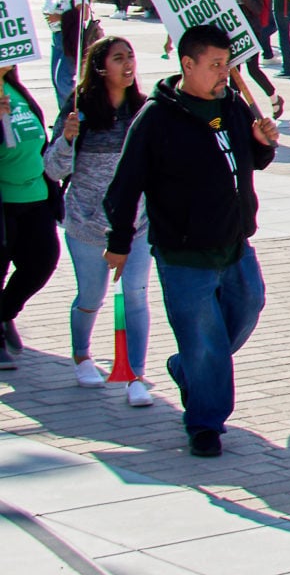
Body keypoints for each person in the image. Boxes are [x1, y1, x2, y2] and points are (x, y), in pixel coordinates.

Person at [102, 24, 279, 458]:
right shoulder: (156, 118)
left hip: (235, 244)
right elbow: (124, 186)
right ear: (188, 64)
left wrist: (262, 145)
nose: (225, 73)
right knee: (203, 340)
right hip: (184, 254)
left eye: (227, 64)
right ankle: (205, 423)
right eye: (216, 65)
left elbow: (249, 162)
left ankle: (189, 369)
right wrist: (119, 241)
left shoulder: (232, 105)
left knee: (246, 310)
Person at [43, 36, 153, 403]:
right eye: (118, 58)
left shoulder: (143, 109)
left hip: (136, 224)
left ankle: (136, 374)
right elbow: (54, 170)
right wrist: (66, 140)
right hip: (87, 223)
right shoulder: (80, 110)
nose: (128, 64)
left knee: (136, 295)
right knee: (92, 294)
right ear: (101, 67)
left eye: (131, 56)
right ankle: (82, 356)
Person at [0, 65, 59, 372]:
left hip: (35, 197)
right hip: (4, 200)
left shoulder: (17, 91)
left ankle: (4, 312)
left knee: (43, 260)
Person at [41, 0, 89, 98]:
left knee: (63, 79)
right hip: (56, 38)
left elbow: (84, 15)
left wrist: (60, 17)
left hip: (70, 38)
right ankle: (65, 115)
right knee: (56, 81)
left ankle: (79, 110)